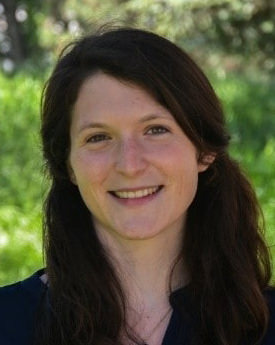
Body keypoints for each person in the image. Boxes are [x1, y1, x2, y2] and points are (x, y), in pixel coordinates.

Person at [0, 26, 274, 345]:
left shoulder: (265, 324)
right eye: (98, 137)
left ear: (204, 149)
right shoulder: (8, 322)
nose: (130, 165)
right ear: (68, 165)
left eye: (155, 130)